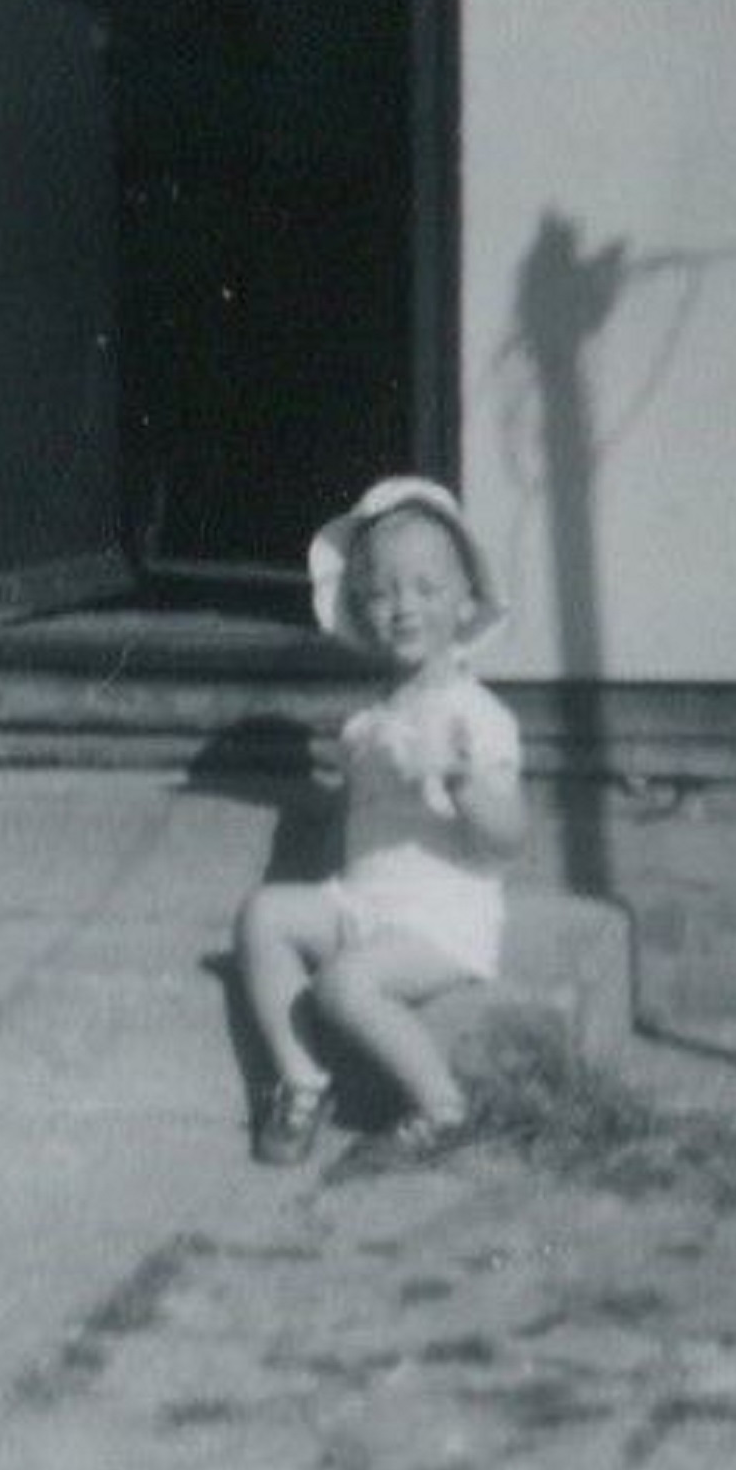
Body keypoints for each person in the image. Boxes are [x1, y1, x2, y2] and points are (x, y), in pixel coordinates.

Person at [234, 476, 526, 1166]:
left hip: (438, 922)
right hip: (363, 904)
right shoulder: (367, 723)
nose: (402, 608)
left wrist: (462, 785)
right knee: (264, 915)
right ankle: (302, 1079)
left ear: (463, 606)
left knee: (343, 986)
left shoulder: (473, 717)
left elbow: (512, 835)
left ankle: (443, 1106)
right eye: (382, 593)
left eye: (425, 590)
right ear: (361, 612)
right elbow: (357, 823)